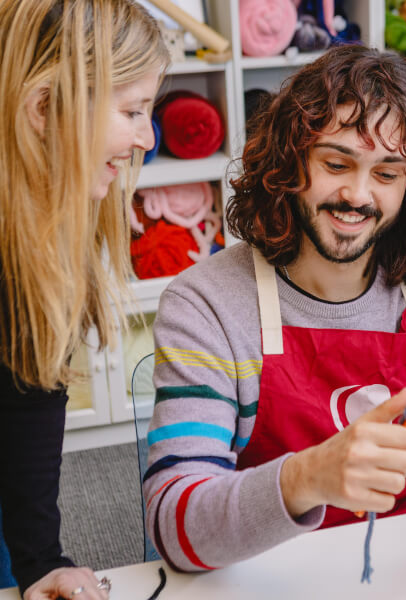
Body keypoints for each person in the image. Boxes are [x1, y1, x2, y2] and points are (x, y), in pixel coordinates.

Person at [144, 44, 406, 571]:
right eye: (336, 162)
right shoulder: (207, 305)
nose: (357, 194)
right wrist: (308, 477)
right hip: (283, 573)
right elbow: (172, 525)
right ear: (288, 162)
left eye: (387, 174)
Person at [0, 1, 169, 597]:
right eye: (131, 111)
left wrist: (40, 559)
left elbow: (29, 391)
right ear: (44, 108)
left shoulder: (46, 233)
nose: (146, 137)